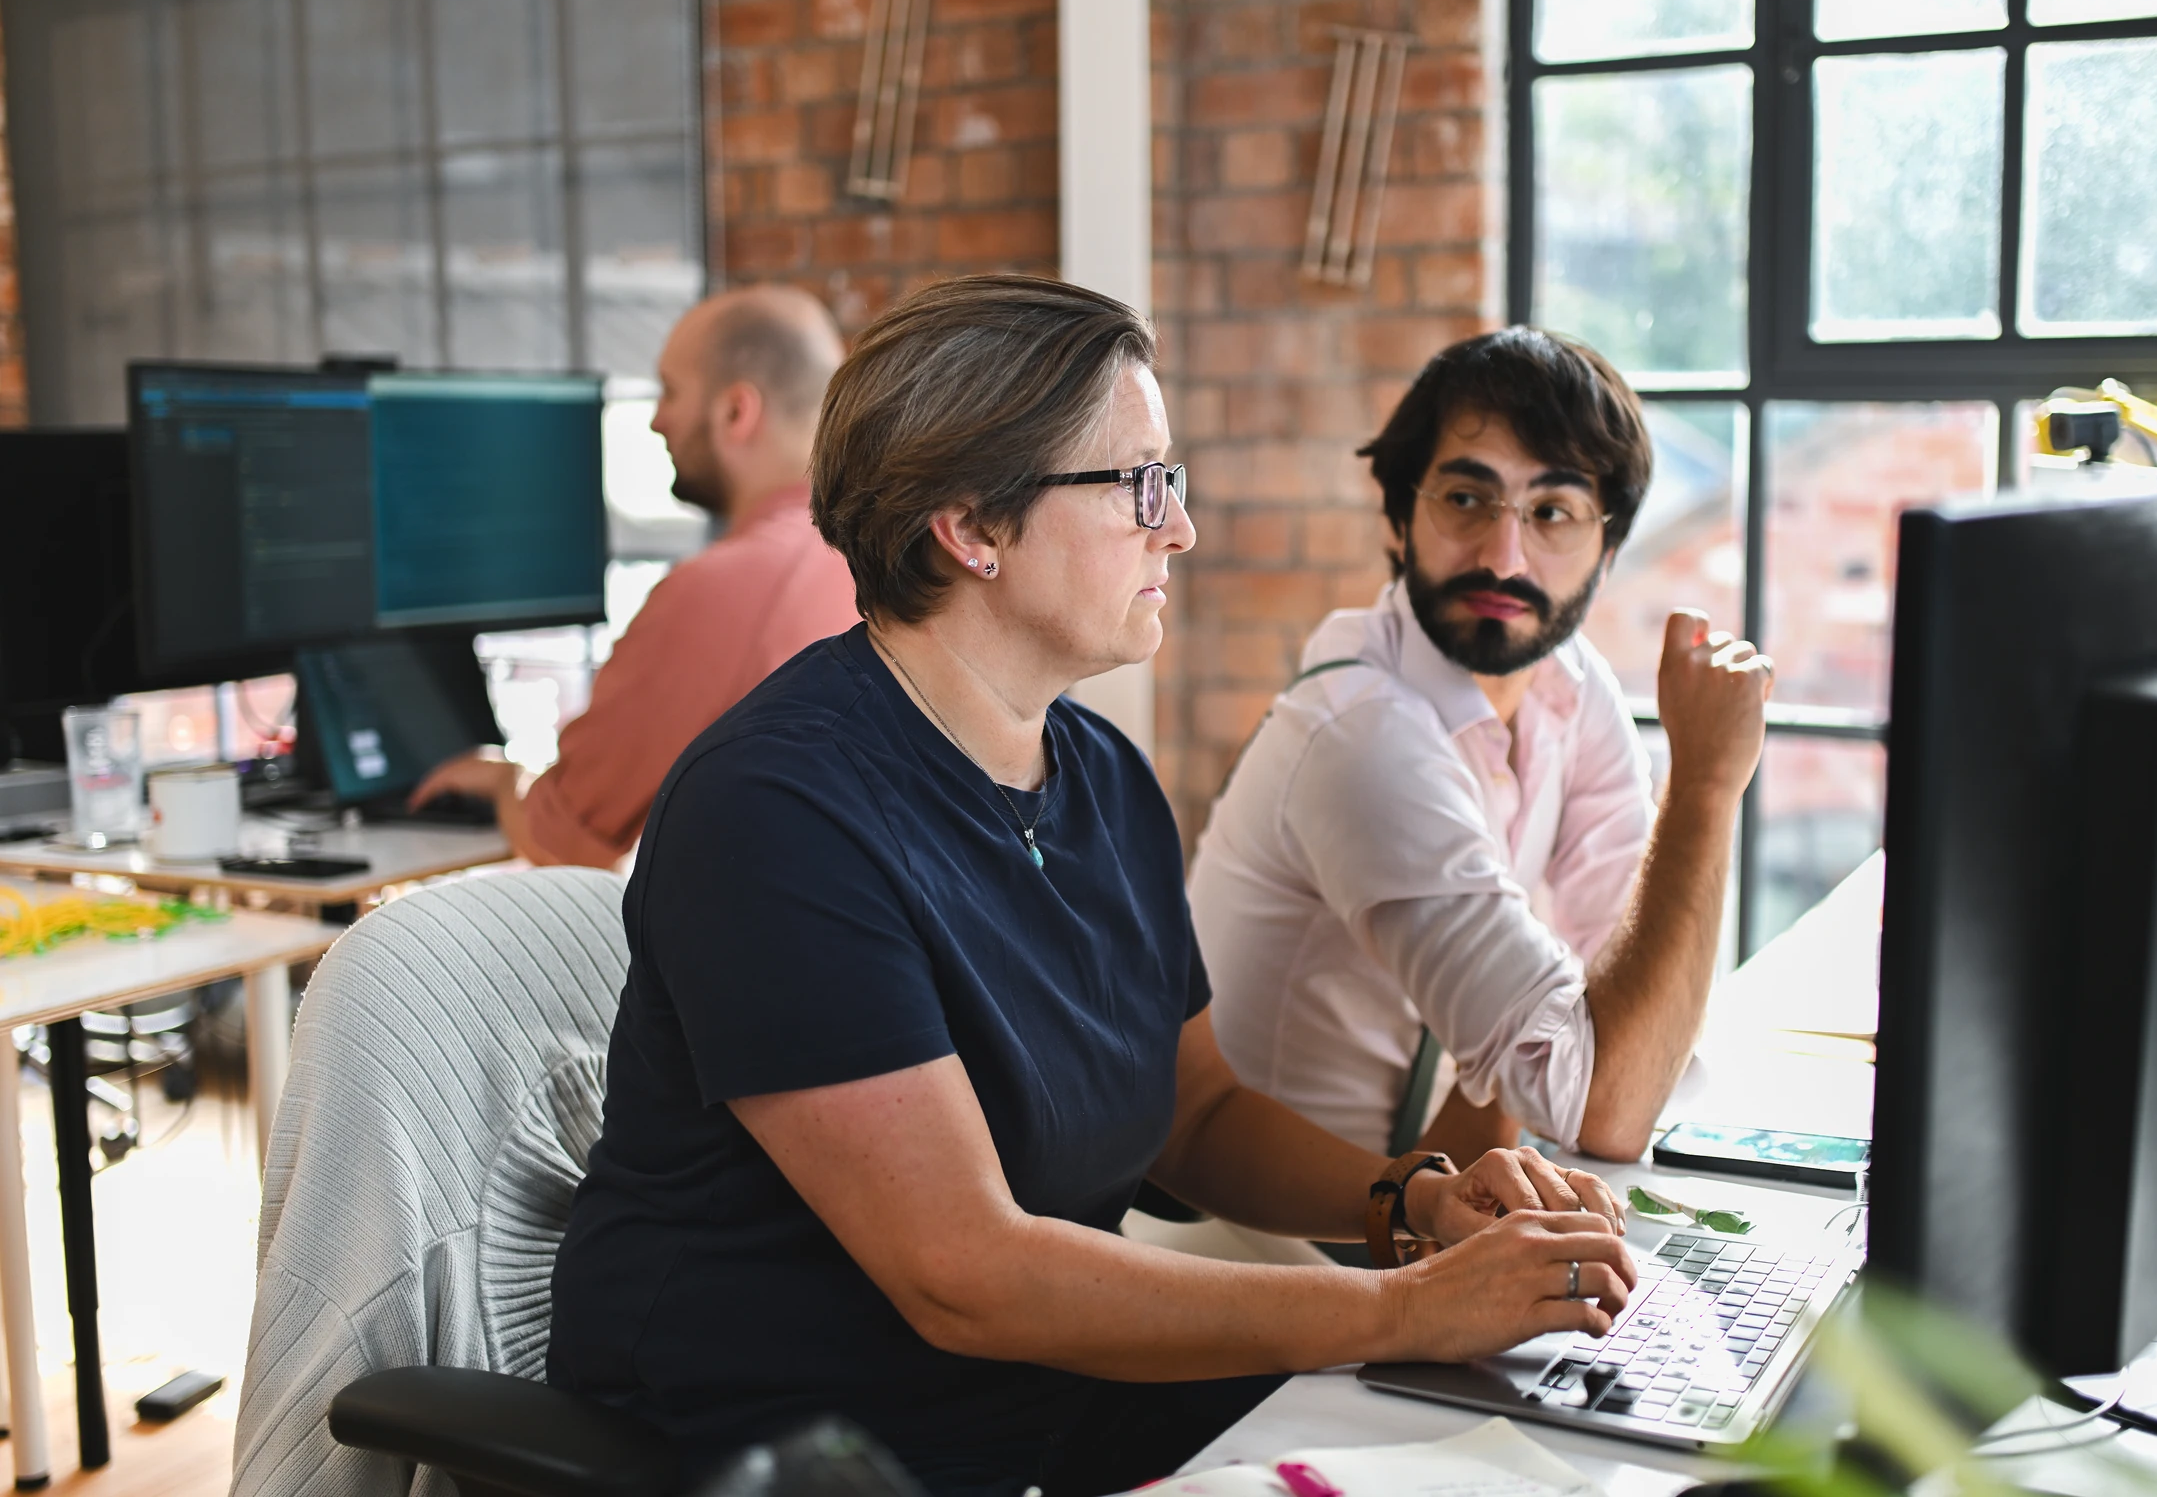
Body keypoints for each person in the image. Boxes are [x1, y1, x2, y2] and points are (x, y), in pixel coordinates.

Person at [546, 276, 1638, 1496]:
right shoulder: (777, 813)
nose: (1177, 528)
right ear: (972, 525)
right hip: (812, 1449)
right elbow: (965, 1271)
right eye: (1139, 484)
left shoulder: (1101, 773)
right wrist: (1401, 1308)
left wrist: (1411, 1201)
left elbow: (1196, 1113)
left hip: (1044, 1409)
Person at [1187, 328, 1772, 1169]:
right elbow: (1606, 1106)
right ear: (1399, 520)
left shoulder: (1569, 687)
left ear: (1606, 555)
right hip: (1277, 1248)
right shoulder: (1361, 734)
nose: (1504, 557)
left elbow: (1640, 1034)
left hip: (1436, 1202)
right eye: (1467, 499)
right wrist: (1707, 786)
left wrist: (1603, 1061)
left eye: (1552, 513)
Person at [411, 286, 855, 866]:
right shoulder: (873, 555)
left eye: (670, 391)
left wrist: (502, 780)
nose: (655, 420)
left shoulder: (728, 591)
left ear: (735, 411)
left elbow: (568, 833)